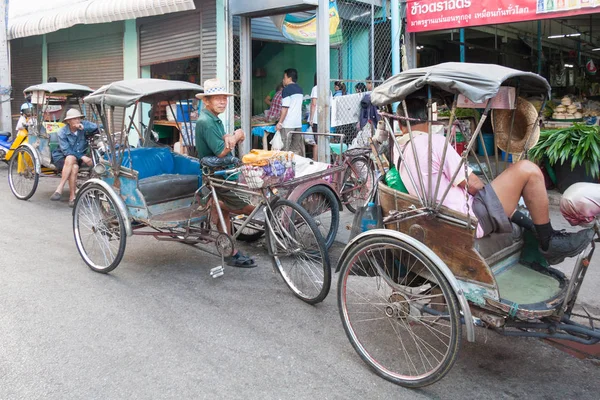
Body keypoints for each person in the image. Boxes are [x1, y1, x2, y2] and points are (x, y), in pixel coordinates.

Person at [397, 98, 594, 265]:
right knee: (528, 170)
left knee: (508, 181)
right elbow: (472, 184)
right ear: (430, 120)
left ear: (400, 125)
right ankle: (548, 240)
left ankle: (542, 233)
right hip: (467, 218)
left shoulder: (400, 152)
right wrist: (496, 192)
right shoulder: (433, 142)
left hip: (441, 217)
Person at [195, 78, 257, 268]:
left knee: (224, 210)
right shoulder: (206, 121)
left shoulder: (214, 119)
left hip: (222, 173)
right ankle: (216, 207)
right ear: (206, 101)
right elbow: (222, 151)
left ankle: (229, 250)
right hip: (216, 175)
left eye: (224, 98)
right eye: (217, 98)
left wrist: (231, 136)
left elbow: (222, 140)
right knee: (250, 207)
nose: (222, 101)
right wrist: (237, 135)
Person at [50, 108, 97, 207]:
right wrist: (83, 157)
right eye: (74, 119)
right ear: (68, 121)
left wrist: (83, 127)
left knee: (74, 165)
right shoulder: (62, 132)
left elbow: (97, 127)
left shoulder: (83, 125)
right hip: (61, 157)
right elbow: (67, 151)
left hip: (76, 159)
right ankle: (72, 196)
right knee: (71, 160)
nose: (77, 121)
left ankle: (59, 189)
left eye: (78, 118)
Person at [276, 68, 305, 156]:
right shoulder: (300, 89)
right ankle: (295, 167)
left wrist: (279, 123)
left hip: (288, 124)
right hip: (298, 124)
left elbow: (285, 108)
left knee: (285, 150)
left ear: (289, 78)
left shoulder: (286, 90)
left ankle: (286, 168)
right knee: (295, 149)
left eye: (284, 77)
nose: (283, 80)